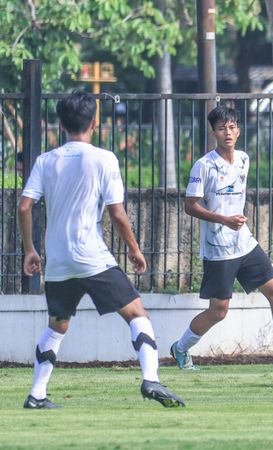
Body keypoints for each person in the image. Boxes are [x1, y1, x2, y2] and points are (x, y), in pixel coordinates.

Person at [18, 90, 184, 408]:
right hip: (92, 257)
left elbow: (25, 207)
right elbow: (117, 213)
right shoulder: (104, 158)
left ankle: (37, 395)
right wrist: (134, 250)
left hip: (58, 262)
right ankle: (151, 380)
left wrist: (30, 250)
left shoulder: (45, 160)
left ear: (62, 123)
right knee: (137, 313)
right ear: (95, 121)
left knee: (57, 324)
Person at [169, 105, 273, 371]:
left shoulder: (244, 159)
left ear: (239, 130)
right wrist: (224, 220)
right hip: (218, 249)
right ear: (213, 132)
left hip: (245, 243)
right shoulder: (204, 165)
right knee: (218, 311)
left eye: (232, 127)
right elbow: (190, 205)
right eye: (222, 128)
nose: (228, 132)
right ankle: (180, 347)